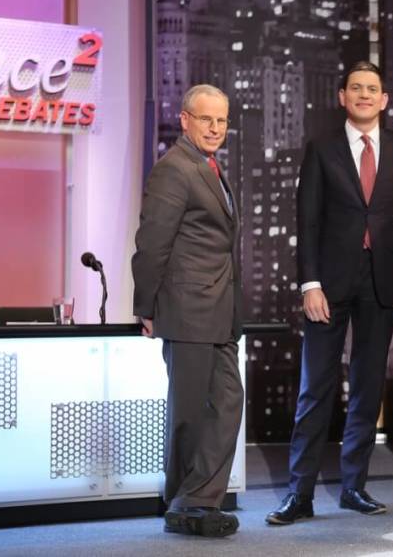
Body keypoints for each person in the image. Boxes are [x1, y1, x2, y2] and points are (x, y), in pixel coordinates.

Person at [266, 61, 393, 526]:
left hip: (380, 280)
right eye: (355, 88)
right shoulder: (321, 148)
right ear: (342, 96)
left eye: (372, 89)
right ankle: (299, 494)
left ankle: (354, 486)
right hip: (329, 284)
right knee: (315, 387)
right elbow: (308, 221)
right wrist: (310, 283)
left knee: (366, 387)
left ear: (384, 99)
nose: (363, 95)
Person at [132, 84, 242, 537]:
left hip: (217, 309)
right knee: (191, 410)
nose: (215, 127)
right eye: (206, 119)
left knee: (225, 403)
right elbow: (151, 244)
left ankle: (191, 499)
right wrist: (146, 306)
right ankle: (187, 501)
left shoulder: (209, 166)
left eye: (221, 120)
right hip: (188, 308)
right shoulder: (174, 169)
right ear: (184, 120)